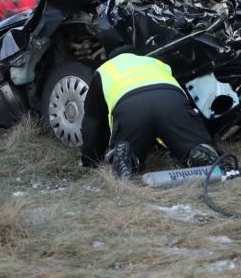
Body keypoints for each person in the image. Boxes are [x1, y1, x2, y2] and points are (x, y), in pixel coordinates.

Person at [80, 47, 219, 179]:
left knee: (129, 146)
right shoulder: (156, 63)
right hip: (170, 99)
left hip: (130, 107)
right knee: (190, 140)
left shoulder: (105, 70)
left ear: (112, 59)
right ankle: (197, 149)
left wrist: (90, 160)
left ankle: (129, 157)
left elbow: (94, 121)